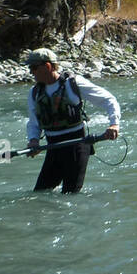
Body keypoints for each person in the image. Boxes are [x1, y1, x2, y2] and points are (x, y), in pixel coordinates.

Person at [24, 48, 121, 194]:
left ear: (48, 66)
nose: (31, 72)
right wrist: (33, 141)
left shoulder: (73, 83)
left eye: (33, 67)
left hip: (77, 145)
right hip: (53, 148)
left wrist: (114, 124)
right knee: (39, 194)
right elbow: (34, 122)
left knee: (70, 195)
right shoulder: (34, 92)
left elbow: (109, 100)